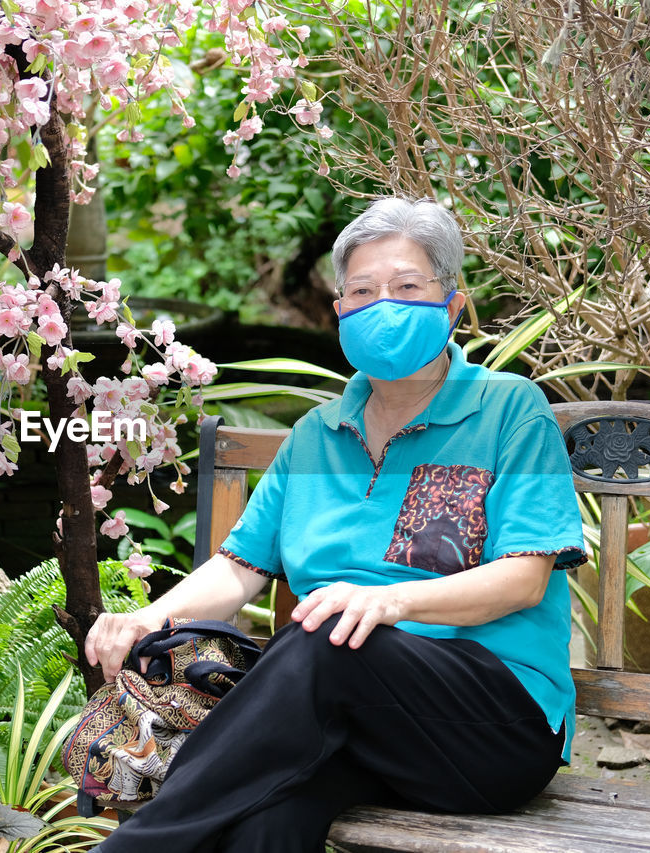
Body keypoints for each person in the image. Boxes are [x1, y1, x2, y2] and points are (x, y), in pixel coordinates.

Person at [85, 196, 586, 853]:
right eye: (362, 291)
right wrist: (152, 616)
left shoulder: (510, 410)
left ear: (453, 306)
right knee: (267, 817)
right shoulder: (315, 436)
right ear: (341, 311)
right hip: (358, 725)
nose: (383, 304)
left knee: (325, 638)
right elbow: (240, 567)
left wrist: (388, 600)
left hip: (493, 725)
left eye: (407, 287)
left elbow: (524, 578)